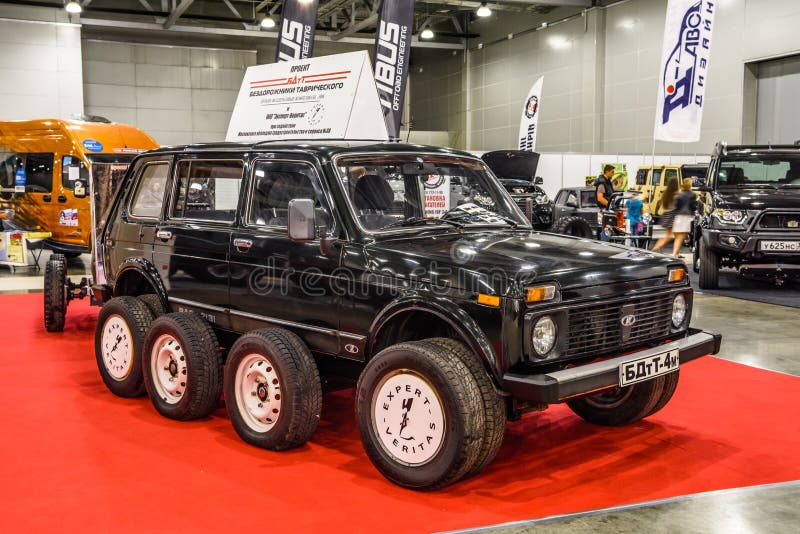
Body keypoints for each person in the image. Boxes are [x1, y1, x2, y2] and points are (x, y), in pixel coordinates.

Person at [651, 176, 680, 256]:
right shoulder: (676, 195)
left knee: (669, 235)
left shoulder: (666, 193)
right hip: (671, 215)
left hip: (666, 214)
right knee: (672, 235)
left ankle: (657, 248)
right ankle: (656, 248)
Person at [670, 178, 698, 257]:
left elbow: (675, 206)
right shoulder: (692, 194)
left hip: (677, 216)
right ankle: (675, 254)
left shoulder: (679, 194)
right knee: (681, 237)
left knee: (677, 236)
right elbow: (693, 206)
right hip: (686, 217)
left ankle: (677, 253)